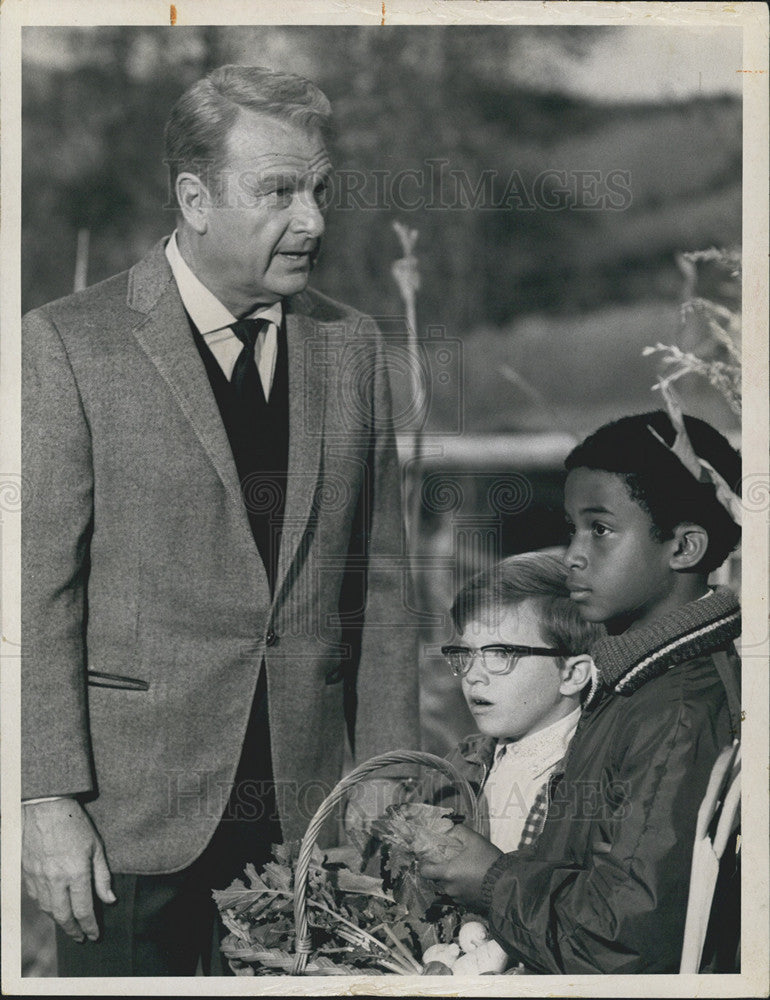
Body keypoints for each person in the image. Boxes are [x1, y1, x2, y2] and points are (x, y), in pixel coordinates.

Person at [21, 64, 419, 976]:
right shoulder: (67, 344)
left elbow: (381, 583)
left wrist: (387, 780)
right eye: (279, 191)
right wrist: (46, 800)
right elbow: (36, 593)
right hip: (125, 831)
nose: (313, 219)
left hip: (311, 827)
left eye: (320, 190)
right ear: (193, 199)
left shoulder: (350, 344)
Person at [419, 404, 742, 974]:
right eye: (573, 528)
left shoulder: (678, 715)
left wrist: (491, 878)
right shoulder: (633, 682)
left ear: (684, 548)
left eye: (601, 529)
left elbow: (626, 943)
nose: (572, 554)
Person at [425, 552, 603, 854]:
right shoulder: (460, 763)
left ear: (572, 674)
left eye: (502, 654)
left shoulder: (591, 779)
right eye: (466, 654)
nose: (473, 675)